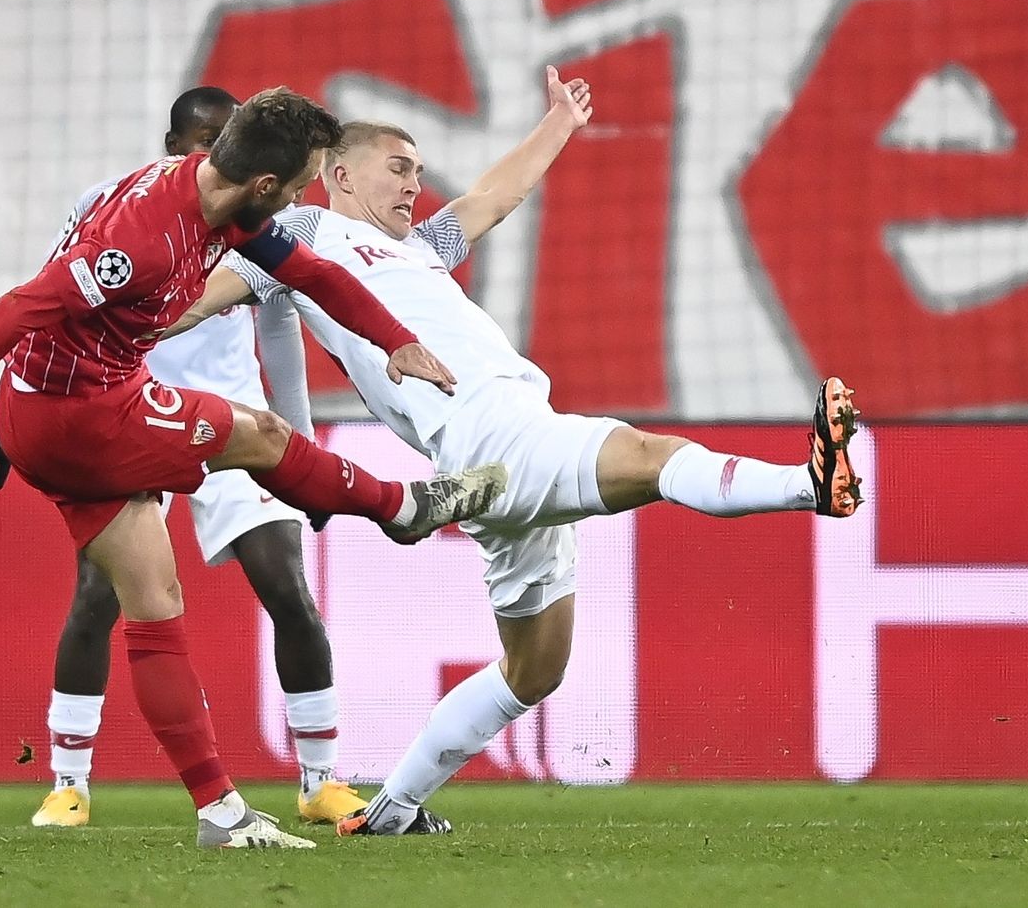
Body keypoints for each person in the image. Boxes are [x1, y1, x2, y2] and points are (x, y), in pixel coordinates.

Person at [170, 66, 864, 837]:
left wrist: (560, 123)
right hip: (490, 432)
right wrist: (116, 319)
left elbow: (493, 197)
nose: (414, 184)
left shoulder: (419, 250)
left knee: (536, 669)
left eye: (420, 172)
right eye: (398, 167)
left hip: (494, 449)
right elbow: (209, 293)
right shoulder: (304, 233)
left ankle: (390, 811)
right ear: (337, 173)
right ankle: (810, 483)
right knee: (647, 452)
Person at [0, 87, 508, 850]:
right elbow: (24, 305)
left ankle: (220, 811)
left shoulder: (225, 208)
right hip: (82, 413)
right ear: (264, 185)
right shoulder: (143, 239)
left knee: (154, 600)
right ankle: (403, 507)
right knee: (256, 433)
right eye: (296, 184)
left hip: (72, 401)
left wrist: (394, 339)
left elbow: (318, 276)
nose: (297, 197)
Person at [0, 87, 367, 829]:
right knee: (98, 596)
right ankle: (69, 781)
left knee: (287, 587)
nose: (212, 156)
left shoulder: (253, 218)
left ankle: (319, 778)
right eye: (200, 141)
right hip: (124, 415)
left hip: (234, 418)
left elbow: (280, 329)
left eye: (225, 139)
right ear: (175, 142)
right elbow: (48, 312)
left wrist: (298, 451)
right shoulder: (118, 209)